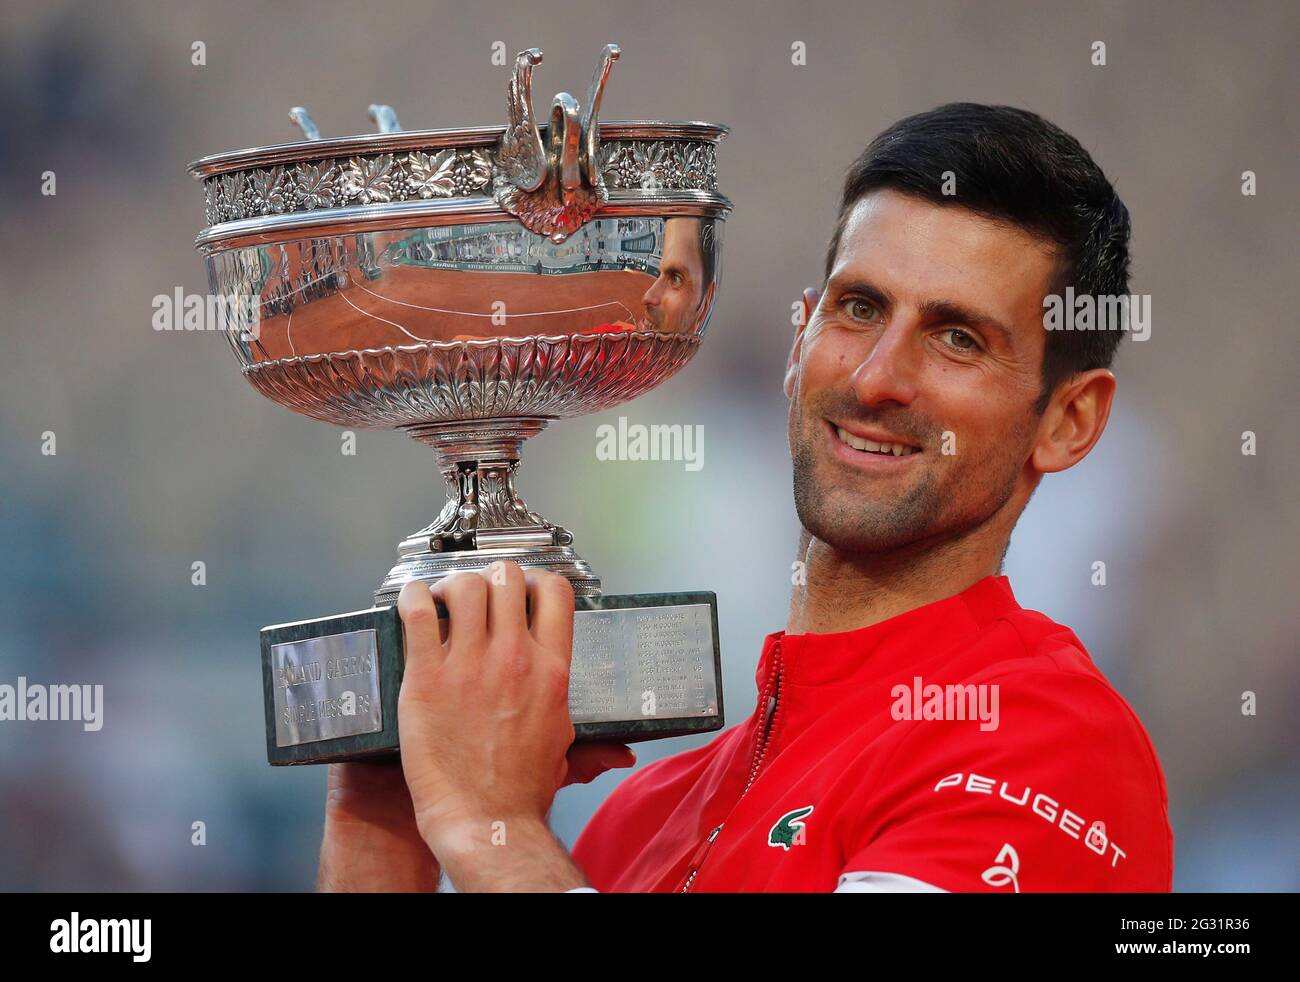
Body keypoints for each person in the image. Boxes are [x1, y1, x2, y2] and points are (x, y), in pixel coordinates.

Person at [317, 103, 1173, 893]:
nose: (878, 379)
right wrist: (385, 831)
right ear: (800, 339)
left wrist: (490, 824)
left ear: (1068, 420)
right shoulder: (638, 821)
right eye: (859, 309)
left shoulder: (1045, 747)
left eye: (958, 339)